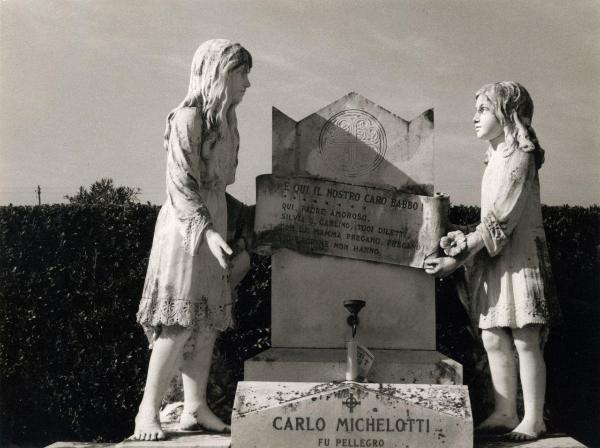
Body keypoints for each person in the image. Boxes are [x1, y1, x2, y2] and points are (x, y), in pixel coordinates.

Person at [425, 82, 561, 441]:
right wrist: (459, 236)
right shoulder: (494, 158)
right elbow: (489, 221)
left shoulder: (521, 155)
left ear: (507, 112)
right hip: (495, 259)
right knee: (492, 337)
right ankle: (504, 411)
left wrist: (459, 257)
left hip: (521, 260)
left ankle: (534, 418)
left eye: (483, 110)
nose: (474, 117)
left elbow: (503, 217)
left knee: (525, 337)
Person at [131, 39, 252, 441]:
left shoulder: (227, 123)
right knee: (178, 323)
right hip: (186, 229)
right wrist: (210, 232)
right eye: (241, 73)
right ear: (219, 73)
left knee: (207, 322)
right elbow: (181, 185)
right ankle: (146, 411)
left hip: (213, 221)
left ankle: (195, 406)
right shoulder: (187, 118)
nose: (247, 83)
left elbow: (219, 187)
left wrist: (246, 222)